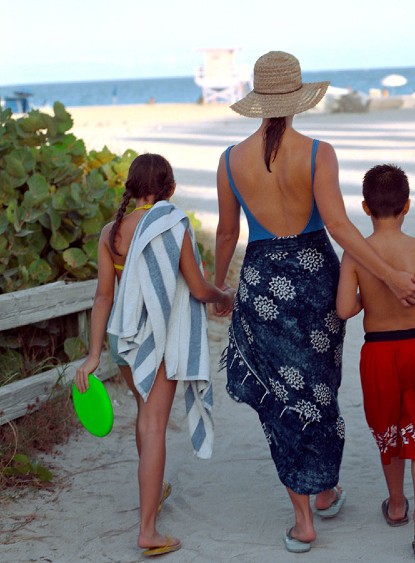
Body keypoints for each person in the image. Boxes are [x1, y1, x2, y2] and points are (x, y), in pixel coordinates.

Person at [214, 51, 415, 554]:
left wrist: (217, 287)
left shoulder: (229, 160)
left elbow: (226, 232)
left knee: (282, 398)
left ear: (258, 100)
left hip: (263, 283)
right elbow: (339, 227)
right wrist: (392, 274)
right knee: (319, 388)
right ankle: (322, 488)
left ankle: (307, 514)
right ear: (297, 97)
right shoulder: (317, 151)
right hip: (315, 281)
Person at [75, 153, 234, 557]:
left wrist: (93, 355)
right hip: (157, 338)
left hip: (121, 340)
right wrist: (223, 295)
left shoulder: (112, 232)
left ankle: (153, 489)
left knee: (146, 417)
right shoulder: (172, 223)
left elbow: (103, 296)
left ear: (129, 186)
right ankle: (148, 529)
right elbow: (197, 289)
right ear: (169, 187)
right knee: (153, 425)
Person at [335, 163, 415, 558]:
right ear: (408, 206)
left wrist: (370, 295)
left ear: (365, 208)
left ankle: (397, 504)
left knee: (388, 429)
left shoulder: (356, 254)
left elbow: (342, 310)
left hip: (378, 352)